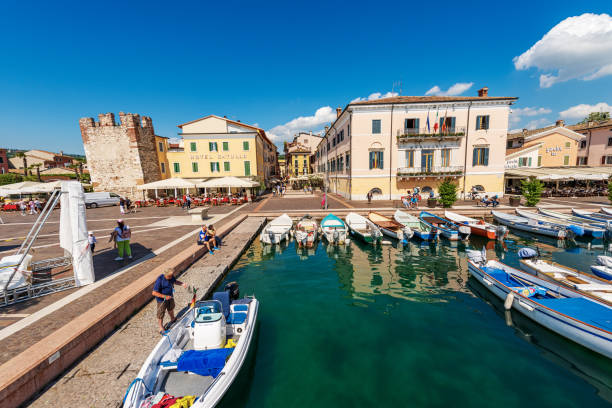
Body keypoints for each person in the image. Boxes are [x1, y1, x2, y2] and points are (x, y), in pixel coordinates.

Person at [152, 269, 188, 334]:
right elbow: (154, 293)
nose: (171, 277)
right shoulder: (160, 280)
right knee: (161, 313)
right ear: (165, 275)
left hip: (170, 296)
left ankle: (172, 319)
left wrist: (182, 284)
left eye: (171, 276)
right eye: (169, 276)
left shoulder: (171, 276)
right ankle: (160, 327)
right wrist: (164, 296)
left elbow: (175, 281)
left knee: (171, 308)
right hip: (162, 300)